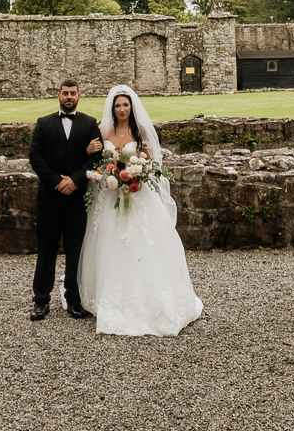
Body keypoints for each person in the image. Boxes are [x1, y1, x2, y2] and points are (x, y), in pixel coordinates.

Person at [77, 84, 204, 336]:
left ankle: (152, 298)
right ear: (112, 108)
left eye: (125, 105)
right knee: (111, 244)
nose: (122, 109)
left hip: (138, 194)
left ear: (131, 107)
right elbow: (95, 160)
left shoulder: (141, 130)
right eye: (118, 105)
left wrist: (139, 175)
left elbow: (153, 161)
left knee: (145, 242)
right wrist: (105, 169)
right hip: (112, 192)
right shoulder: (103, 131)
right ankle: (111, 296)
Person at [27, 77, 101, 320]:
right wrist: (57, 181)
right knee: (46, 250)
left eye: (73, 93)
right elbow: (35, 156)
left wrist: (76, 180)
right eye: (65, 93)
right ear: (58, 95)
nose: (69, 97)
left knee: (75, 251)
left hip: (77, 199)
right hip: (50, 198)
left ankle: (74, 300)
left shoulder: (90, 124)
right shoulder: (44, 123)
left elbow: (97, 158)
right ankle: (41, 300)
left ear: (80, 96)